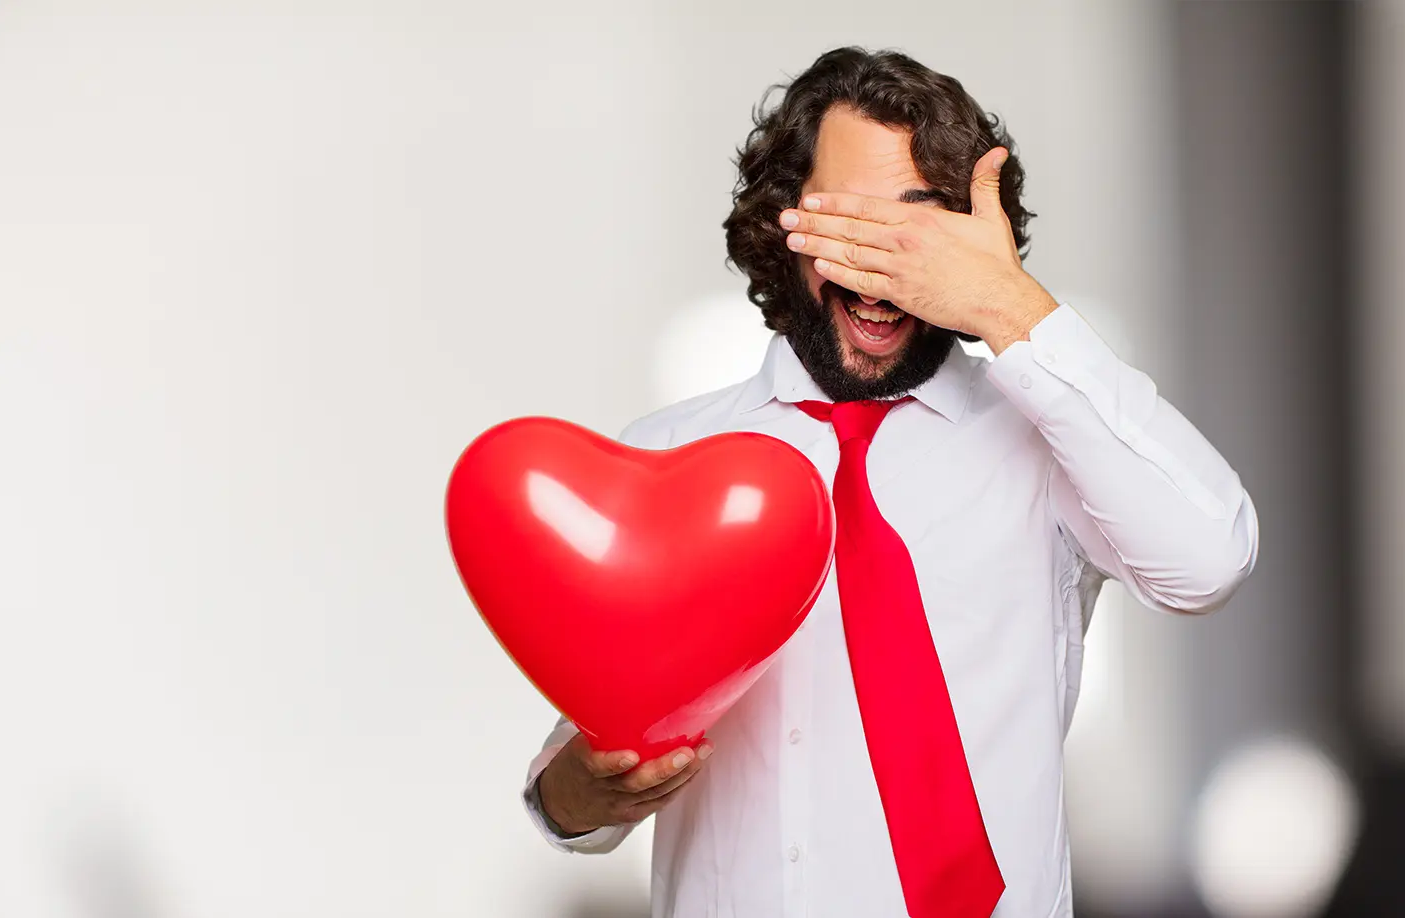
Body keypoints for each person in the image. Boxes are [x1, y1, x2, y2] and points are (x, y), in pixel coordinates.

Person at [522, 46, 1258, 918]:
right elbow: (582, 773)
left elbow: (1209, 560)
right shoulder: (667, 455)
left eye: (921, 227)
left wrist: (1009, 308)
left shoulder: (1051, 444)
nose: (882, 262)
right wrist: (577, 793)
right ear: (782, 223)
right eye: (851, 222)